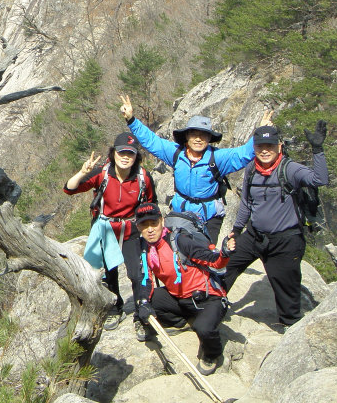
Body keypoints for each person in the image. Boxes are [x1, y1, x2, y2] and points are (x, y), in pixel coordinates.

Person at [120, 94, 274, 243]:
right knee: (178, 255)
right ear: (187, 136)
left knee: (205, 258)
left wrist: (260, 134)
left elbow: (244, 154)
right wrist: (132, 120)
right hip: (181, 212)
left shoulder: (218, 158)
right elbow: (152, 141)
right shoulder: (176, 153)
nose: (198, 139)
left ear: (209, 138)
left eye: (203, 135)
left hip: (209, 216)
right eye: (194, 134)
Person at [223, 121, 329, 329]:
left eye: (269, 146)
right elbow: (246, 202)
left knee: (286, 291)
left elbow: (319, 179)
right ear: (254, 148)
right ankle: (213, 303)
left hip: (285, 240)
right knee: (226, 264)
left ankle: (289, 328)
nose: (264, 151)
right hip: (255, 235)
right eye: (260, 147)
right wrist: (236, 230)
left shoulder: (289, 169)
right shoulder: (252, 168)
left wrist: (317, 149)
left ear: (279, 147)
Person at [64, 132, 157, 341]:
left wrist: (151, 230)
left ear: (136, 157)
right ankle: (115, 307)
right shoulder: (103, 174)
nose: (125, 157)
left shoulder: (143, 178)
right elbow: (69, 189)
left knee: (137, 273)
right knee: (109, 272)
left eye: (130, 154)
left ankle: (141, 316)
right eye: (122, 152)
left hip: (131, 230)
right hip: (106, 229)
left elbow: (151, 204)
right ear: (114, 153)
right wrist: (81, 173)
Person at [135, 202, 235, 376]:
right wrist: (143, 302)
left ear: (162, 222)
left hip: (208, 298)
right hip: (180, 298)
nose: (150, 229)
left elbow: (213, 261)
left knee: (203, 329)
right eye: (144, 225)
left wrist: (224, 254)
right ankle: (183, 322)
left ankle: (212, 354)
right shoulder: (146, 249)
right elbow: (146, 279)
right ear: (138, 228)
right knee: (148, 301)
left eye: (154, 223)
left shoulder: (179, 241)